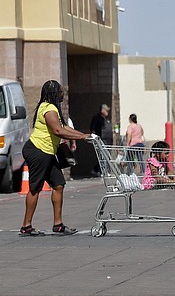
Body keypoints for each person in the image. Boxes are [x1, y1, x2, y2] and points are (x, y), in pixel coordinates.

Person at [19, 80, 91, 237]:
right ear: (54, 93)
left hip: (47, 152)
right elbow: (58, 130)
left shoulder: (50, 108)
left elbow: (64, 127)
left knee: (58, 184)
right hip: (38, 151)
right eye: (61, 91)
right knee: (35, 188)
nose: (63, 94)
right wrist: (82, 137)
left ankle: (58, 225)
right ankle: (26, 226)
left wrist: (83, 135)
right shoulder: (49, 108)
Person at [90, 103, 113, 175]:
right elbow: (93, 129)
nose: (107, 112)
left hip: (108, 141)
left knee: (106, 156)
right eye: (106, 110)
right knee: (102, 157)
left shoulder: (106, 119)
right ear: (102, 110)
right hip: (101, 140)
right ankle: (102, 171)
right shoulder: (97, 118)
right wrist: (94, 138)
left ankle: (98, 170)